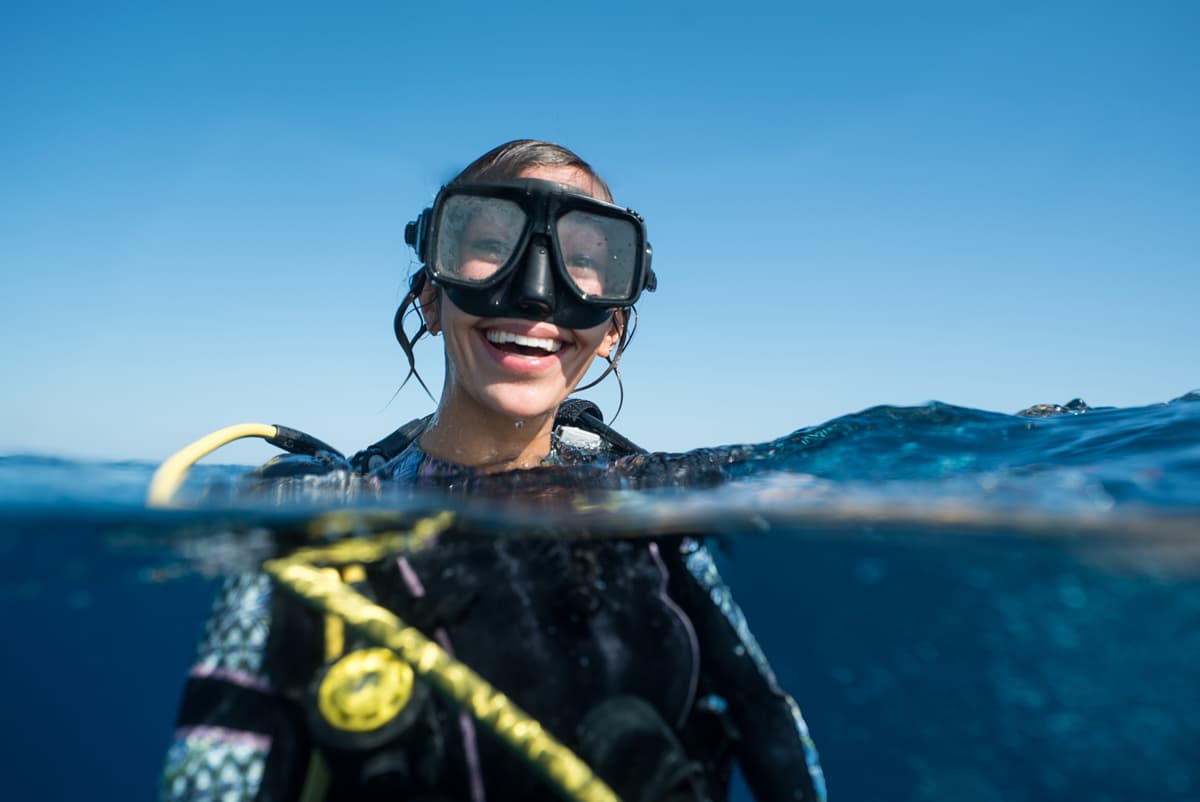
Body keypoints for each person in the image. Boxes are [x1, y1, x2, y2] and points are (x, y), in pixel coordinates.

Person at [160, 140, 826, 802]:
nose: (536, 295)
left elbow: (770, 722)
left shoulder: (656, 513)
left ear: (613, 327)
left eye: (588, 260)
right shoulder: (313, 521)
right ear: (430, 296)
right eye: (489, 245)